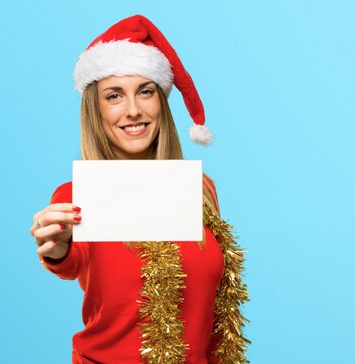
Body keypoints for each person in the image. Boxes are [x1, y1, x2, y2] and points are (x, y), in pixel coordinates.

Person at [30, 15, 249, 364]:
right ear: (96, 111)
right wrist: (56, 248)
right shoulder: (76, 195)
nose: (133, 111)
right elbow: (71, 261)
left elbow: (211, 311)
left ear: (160, 103)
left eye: (145, 92)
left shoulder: (200, 189)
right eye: (114, 96)